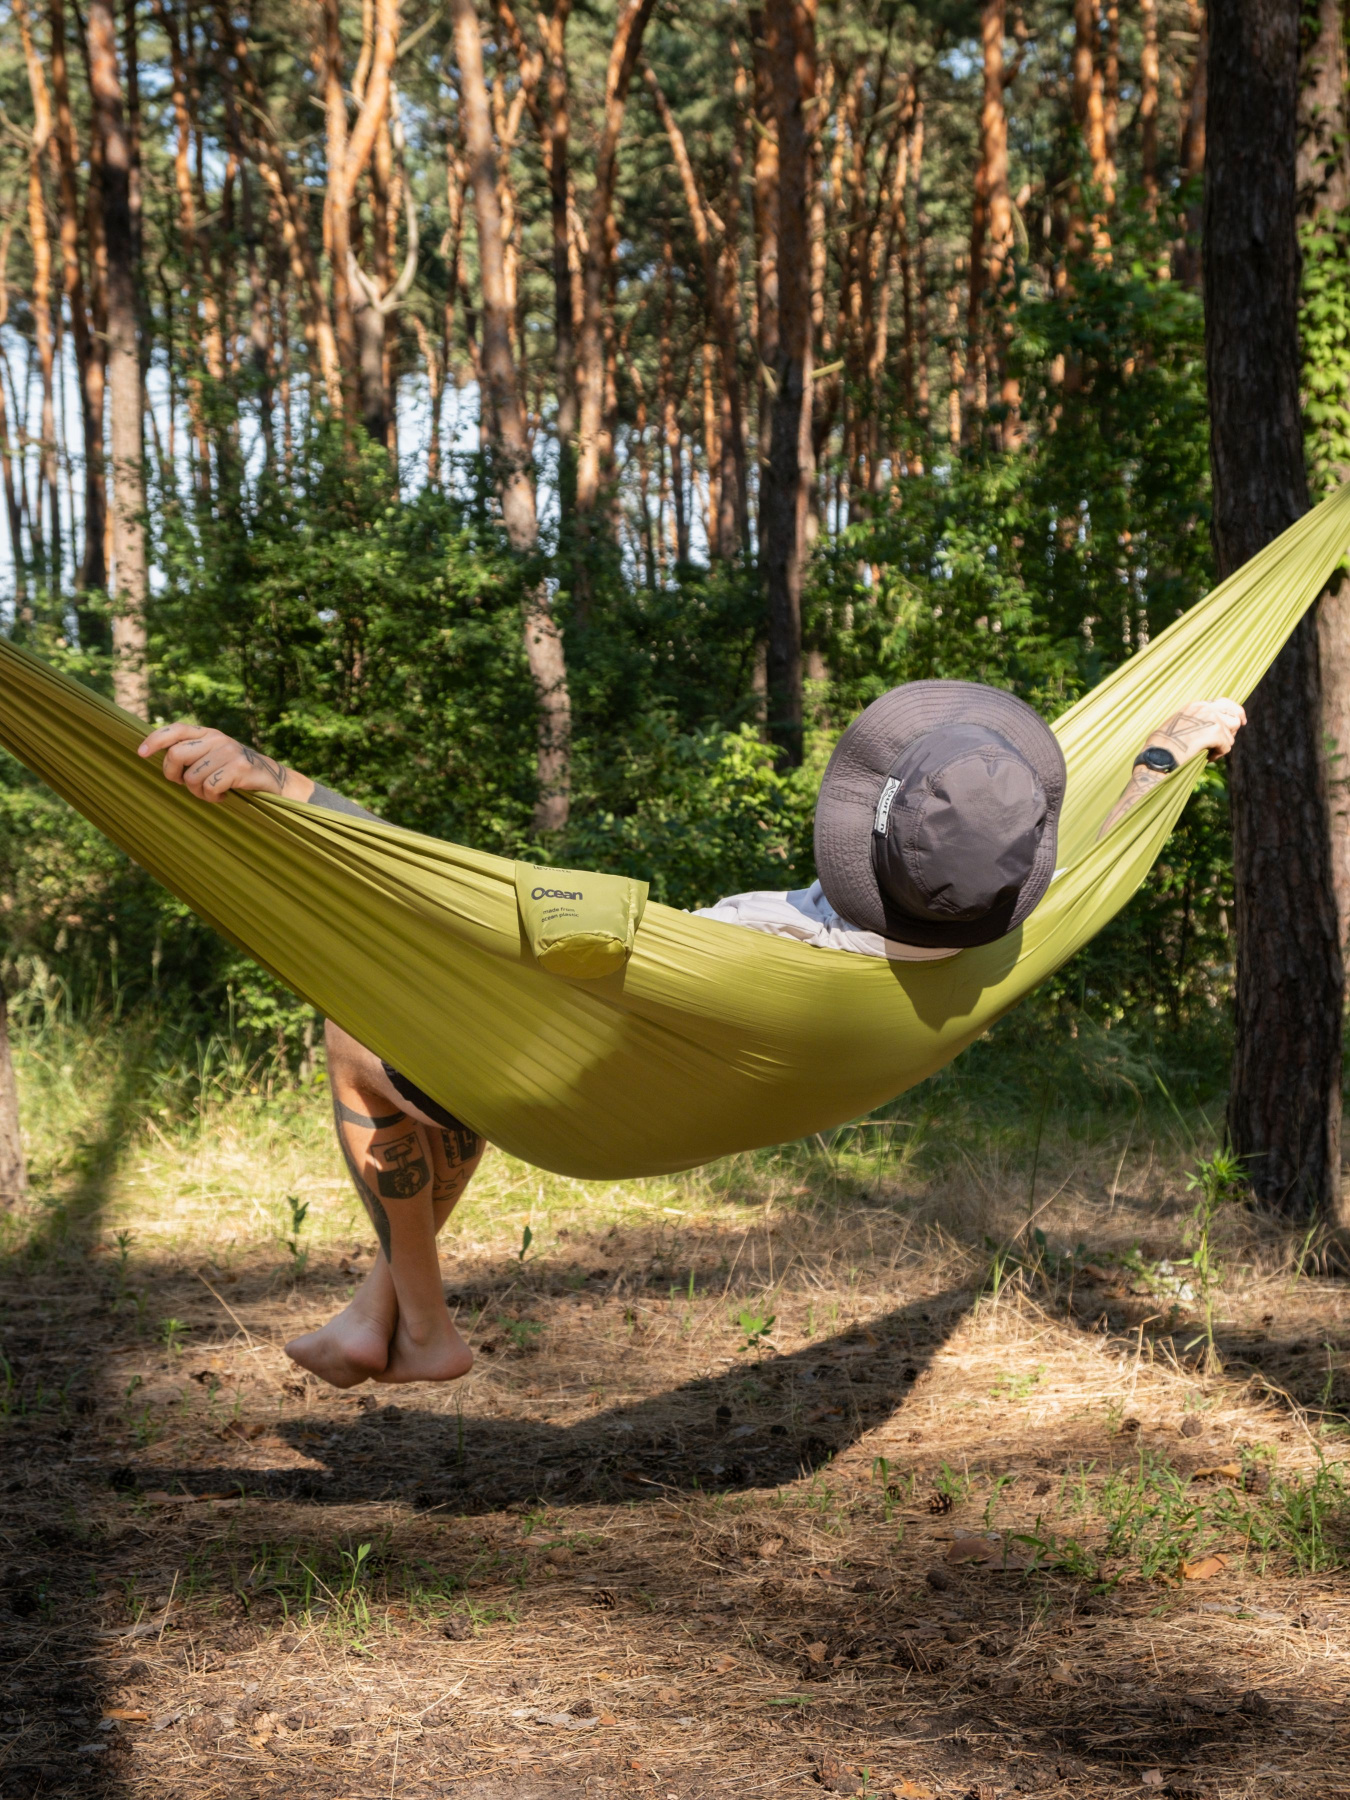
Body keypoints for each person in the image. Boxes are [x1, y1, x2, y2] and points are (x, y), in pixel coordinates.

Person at [137, 681, 1245, 1389]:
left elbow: (470, 911)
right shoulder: (1013, 928)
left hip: (607, 1086)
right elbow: (1102, 856)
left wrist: (285, 786)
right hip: (705, 1084)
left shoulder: (763, 948)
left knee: (365, 1032)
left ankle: (422, 1328)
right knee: (446, 1078)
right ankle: (373, 1316)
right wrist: (1169, 752)